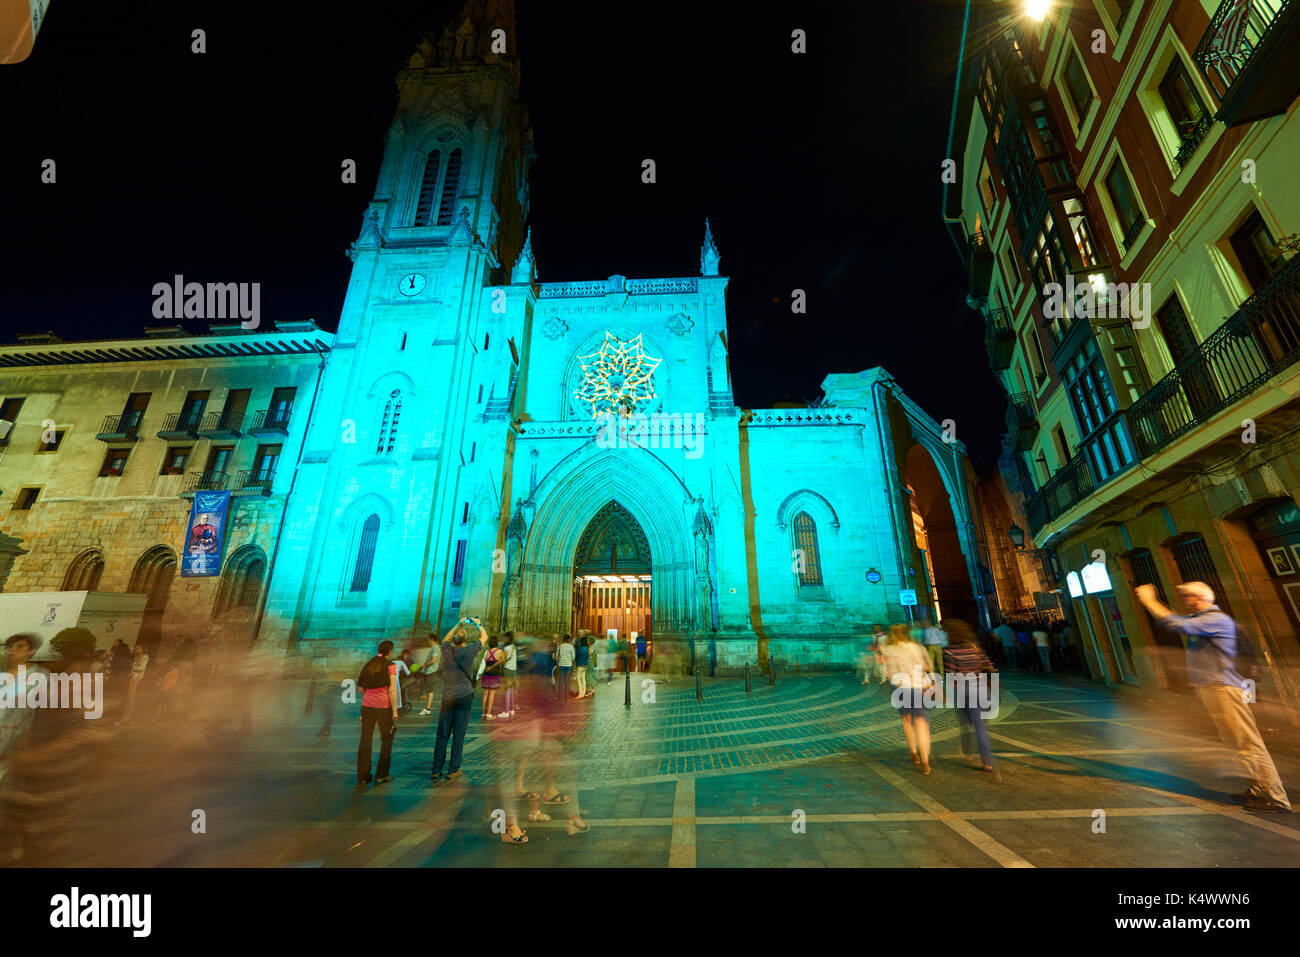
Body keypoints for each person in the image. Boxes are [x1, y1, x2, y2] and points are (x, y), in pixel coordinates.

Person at [1134, 582, 1290, 813]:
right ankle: (1257, 789)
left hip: (1225, 688)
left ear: (1199, 598)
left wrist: (1150, 601)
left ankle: (1276, 797)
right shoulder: (1204, 619)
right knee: (1234, 742)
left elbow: (1175, 624)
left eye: (1187, 596)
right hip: (1214, 689)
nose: (1184, 600)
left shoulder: (1214, 619)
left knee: (1247, 742)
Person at [431, 618, 484, 784]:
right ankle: (453, 769)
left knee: (442, 735)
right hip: (464, 697)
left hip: (447, 698)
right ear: (466, 641)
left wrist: (458, 624)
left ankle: (436, 770)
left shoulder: (446, 650)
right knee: (458, 735)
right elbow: (484, 637)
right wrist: (477, 623)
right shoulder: (469, 651)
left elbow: (445, 639)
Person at [943, 620, 999, 777]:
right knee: (981, 726)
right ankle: (986, 760)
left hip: (965, 691)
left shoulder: (949, 651)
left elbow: (951, 674)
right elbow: (990, 666)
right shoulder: (975, 648)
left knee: (966, 723)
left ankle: (968, 753)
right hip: (982, 689)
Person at [880, 623, 936, 774]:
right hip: (920, 686)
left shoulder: (888, 649)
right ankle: (925, 762)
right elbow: (928, 666)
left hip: (900, 687)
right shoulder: (917, 647)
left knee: (906, 720)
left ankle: (914, 753)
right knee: (921, 723)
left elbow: (885, 672)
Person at [356, 640, 399, 786]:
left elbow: (361, 688)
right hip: (383, 707)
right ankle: (382, 774)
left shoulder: (370, 663)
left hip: (367, 706)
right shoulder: (391, 665)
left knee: (365, 740)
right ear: (390, 651)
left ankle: (362, 776)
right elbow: (392, 690)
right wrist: (394, 711)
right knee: (387, 739)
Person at [116, 641, 150, 725]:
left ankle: (128, 716)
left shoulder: (145, 656)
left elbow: (141, 668)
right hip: (132, 676)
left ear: (142, 649)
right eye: (136, 648)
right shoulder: (138, 656)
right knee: (129, 696)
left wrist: (133, 669)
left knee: (131, 697)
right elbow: (134, 667)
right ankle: (126, 715)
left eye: (137, 648)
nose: (136, 649)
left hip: (136, 677)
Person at [479, 637, 505, 719]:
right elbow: (503, 661)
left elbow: (486, 662)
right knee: (492, 694)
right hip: (495, 674)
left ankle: (484, 714)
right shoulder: (500, 651)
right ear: (497, 643)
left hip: (486, 674)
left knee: (485, 694)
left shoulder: (487, 652)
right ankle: (489, 714)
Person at [417, 637, 441, 716]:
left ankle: (428, 708)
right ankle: (427, 707)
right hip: (429, 671)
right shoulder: (434, 648)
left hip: (431, 671)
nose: (427, 641)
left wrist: (424, 665)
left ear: (432, 639)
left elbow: (433, 660)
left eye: (428, 639)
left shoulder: (435, 647)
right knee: (428, 690)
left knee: (430, 690)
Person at [500, 633, 519, 718]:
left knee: (507, 690)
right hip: (513, 670)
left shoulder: (507, 648)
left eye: (504, 638)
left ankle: (506, 711)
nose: (503, 639)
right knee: (511, 690)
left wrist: (500, 657)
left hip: (507, 669)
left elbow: (503, 660)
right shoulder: (513, 647)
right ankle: (512, 709)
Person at [555, 634, 575, 699]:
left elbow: (557, 656)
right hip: (569, 665)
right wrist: (571, 660)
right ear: (569, 639)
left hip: (561, 665)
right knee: (567, 680)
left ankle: (560, 695)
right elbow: (573, 657)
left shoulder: (560, 646)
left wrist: (559, 661)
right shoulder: (571, 646)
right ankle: (566, 695)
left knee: (561, 680)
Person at [573, 633, 589, 698]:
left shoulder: (581, 648)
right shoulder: (587, 648)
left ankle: (580, 694)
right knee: (583, 679)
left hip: (580, 664)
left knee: (578, 679)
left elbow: (576, 656)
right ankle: (583, 692)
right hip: (585, 664)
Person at [582, 632, 598, 697]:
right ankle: (591, 689)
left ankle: (592, 690)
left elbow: (589, 654)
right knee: (589, 675)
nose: (587, 641)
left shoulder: (591, 647)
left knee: (589, 675)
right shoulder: (591, 646)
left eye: (588, 640)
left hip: (589, 661)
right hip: (590, 661)